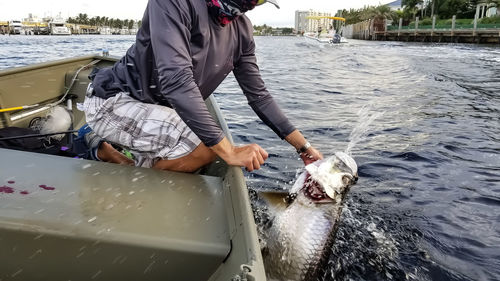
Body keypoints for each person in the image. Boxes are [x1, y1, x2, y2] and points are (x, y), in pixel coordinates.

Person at [80, 0, 323, 173]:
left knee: (208, 144)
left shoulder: (243, 29)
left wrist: (304, 147)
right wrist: (228, 151)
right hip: (113, 101)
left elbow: (259, 96)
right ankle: (130, 173)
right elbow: (176, 81)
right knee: (207, 150)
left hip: (161, 111)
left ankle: (108, 153)